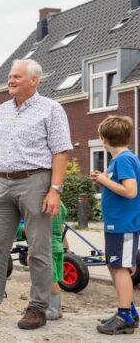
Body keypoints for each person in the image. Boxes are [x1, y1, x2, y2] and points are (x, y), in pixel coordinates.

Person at [0, 59, 71, 330]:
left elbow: (61, 152)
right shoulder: (1, 110)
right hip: (2, 183)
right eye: (10, 76)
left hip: (35, 181)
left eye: (17, 77)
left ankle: (37, 307)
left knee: (38, 249)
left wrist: (55, 190)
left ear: (34, 80)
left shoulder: (51, 109)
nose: (10, 80)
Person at [90, 115, 140, 335]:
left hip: (124, 226)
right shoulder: (121, 160)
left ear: (104, 139)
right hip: (117, 225)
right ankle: (127, 308)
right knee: (115, 265)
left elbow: (130, 191)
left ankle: (124, 316)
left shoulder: (124, 160)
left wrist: (103, 180)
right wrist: (104, 177)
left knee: (120, 268)